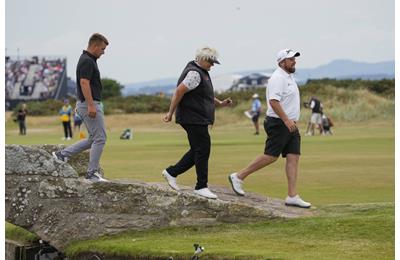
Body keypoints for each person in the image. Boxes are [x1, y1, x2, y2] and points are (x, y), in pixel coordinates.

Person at [228, 48, 311, 208]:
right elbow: (274, 101)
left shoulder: (288, 77)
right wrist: (286, 120)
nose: (294, 61)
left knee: (293, 157)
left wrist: (290, 120)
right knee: (271, 156)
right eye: (291, 59)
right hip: (279, 123)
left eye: (294, 59)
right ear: (282, 62)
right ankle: (238, 176)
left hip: (290, 123)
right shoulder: (278, 78)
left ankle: (292, 195)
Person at [162, 47, 232, 199]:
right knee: (202, 149)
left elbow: (202, 94)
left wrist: (219, 102)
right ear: (203, 59)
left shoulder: (200, 72)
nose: (212, 66)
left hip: (196, 117)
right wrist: (170, 113)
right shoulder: (194, 73)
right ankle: (201, 186)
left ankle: (171, 172)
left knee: (198, 150)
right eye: (211, 62)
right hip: (193, 117)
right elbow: (179, 91)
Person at [52, 33, 109, 182]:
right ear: (95, 46)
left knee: (93, 139)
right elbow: (84, 83)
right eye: (102, 49)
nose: (103, 52)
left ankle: (62, 155)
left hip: (87, 104)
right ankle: (91, 174)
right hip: (89, 104)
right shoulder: (87, 61)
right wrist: (91, 105)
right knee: (101, 138)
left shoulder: (89, 60)